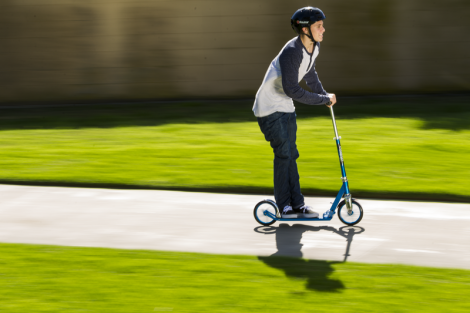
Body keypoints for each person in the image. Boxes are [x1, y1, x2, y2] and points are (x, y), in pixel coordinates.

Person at [252, 7, 336, 219]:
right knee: (284, 154)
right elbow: (292, 89)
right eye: (319, 26)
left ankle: (297, 204)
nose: (323, 29)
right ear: (305, 29)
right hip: (269, 107)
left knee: (292, 154)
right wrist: (321, 100)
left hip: (285, 105)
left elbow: (310, 75)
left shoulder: (313, 47)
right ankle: (284, 206)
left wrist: (324, 95)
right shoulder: (292, 51)